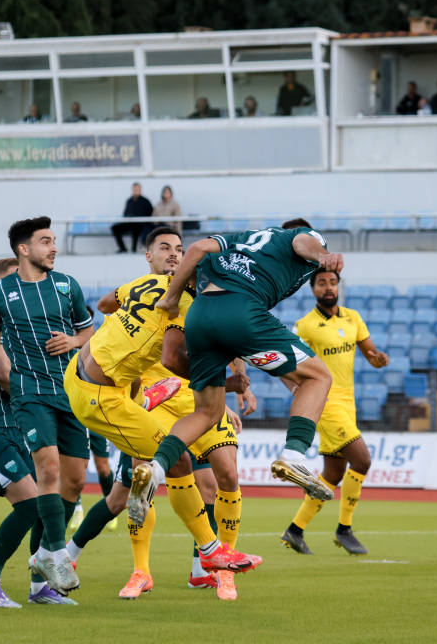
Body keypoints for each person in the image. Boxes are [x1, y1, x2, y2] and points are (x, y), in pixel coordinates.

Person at [62, 226, 261, 596]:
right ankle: (138, 569)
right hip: (151, 403)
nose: (174, 254)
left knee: (224, 477)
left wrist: (233, 386)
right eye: (165, 248)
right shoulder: (157, 290)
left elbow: (224, 342)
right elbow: (168, 354)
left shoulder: (187, 298)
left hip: (198, 400)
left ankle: (210, 568)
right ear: (148, 256)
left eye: (180, 249)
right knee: (133, 491)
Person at [130, 219, 342, 533]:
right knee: (319, 377)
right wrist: (323, 254)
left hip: (201, 316)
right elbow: (303, 242)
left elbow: (197, 250)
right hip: (242, 309)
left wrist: (172, 297)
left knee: (208, 412)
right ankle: (294, 454)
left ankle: (156, 468)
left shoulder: (242, 239)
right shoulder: (299, 236)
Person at [0, 216, 94, 598]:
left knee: (75, 481)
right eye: (46, 241)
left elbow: (88, 331)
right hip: (29, 394)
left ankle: (41, 561)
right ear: (24, 249)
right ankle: (56, 555)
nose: (54, 247)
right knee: (48, 469)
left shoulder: (67, 285)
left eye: (54, 240)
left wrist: (73, 341)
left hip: (69, 392)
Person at [280, 270, 389, 556]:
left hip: (348, 403)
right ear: (313, 289)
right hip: (326, 402)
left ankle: (295, 531)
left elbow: (372, 355)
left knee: (334, 472)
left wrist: (379, 360)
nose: (328, 287)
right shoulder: (306, 325)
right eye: (321, 283)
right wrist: (295, 387)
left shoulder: (353, 318)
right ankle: (344, 529)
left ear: (338, 286)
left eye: (332, 282)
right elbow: (282, 359)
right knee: (362, 460)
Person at [111, 183, 153, 253]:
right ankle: (122, 248)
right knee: (115, 228)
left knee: (136, 228)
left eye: (137, 189)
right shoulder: (129, 201)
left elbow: (150, 214)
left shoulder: (145, 201)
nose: (135, 191)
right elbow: (125, 213)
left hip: (140, 224)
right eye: (134, 189)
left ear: (140, 190)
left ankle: (133, 249)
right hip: (129, 223)